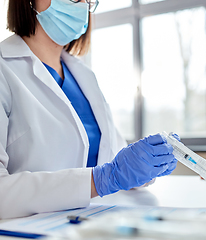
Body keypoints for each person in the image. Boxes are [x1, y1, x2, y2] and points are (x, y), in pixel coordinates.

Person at [0, 0, 178, 219]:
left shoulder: (84, 76)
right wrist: (101, 180)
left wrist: (146, 166)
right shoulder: (4, 68)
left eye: (88, 0)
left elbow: (114, 162)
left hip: (99, 223)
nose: (82, 5)